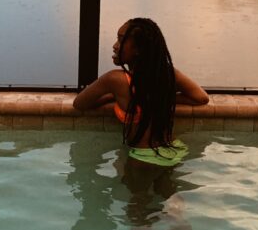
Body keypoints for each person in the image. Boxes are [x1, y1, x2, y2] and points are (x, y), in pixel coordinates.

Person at [73, 17, 209, 167]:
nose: (115, 46)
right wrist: (160, 97)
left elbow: (79, 103)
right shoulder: (167, 73)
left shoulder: (115, 80)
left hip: (143, 157)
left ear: (139, 49)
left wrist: (112, 96)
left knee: (136, 191)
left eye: (121, 40)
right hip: (173, 149)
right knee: (169, 191)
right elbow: (201, 98)